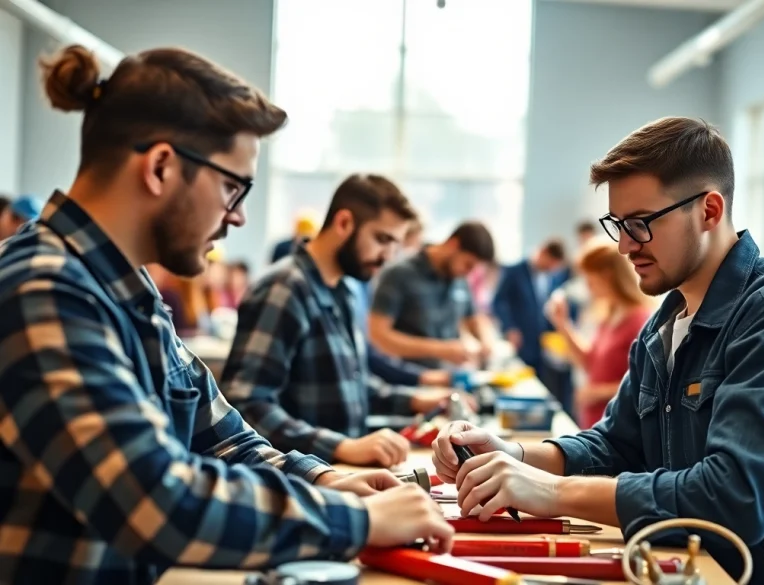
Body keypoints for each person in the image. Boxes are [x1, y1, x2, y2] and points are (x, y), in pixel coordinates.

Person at [0, 44, 452, 585]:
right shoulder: (44, 287)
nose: (238, 216)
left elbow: (223, 436)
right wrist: (354, 520)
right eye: (233, 187)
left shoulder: (126, 285)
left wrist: (324, 480)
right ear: (161, 166)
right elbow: (153, 501)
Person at [431, 117, 764, 585]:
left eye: (641, 224)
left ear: (709, 211)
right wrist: (513, 456)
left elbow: (738, 496)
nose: (626, 246)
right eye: (618, 225)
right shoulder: (666, 322)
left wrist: (553, 492)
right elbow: (616, 444)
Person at [221, 174, 454, 467]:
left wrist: (416, 400)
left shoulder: (343, 291)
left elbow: (351, 385)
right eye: (382, 239)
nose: (388, 256)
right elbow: (246, 405)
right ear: (344, 223)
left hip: (343, 474)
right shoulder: (284, 288)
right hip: (301, 483)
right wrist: (343, 446)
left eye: (395, 244)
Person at [545, 242, 652, 429]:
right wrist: (562, 324)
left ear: (607, 275)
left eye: (589, 277)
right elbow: (589, 363)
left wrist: (596, 392)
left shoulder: (639, 320)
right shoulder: (608, 316)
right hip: (595, 422)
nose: (587, 285)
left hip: (619, 427)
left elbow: (646, 384)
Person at [369, 221, 497, 369]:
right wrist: (440, 350)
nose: (469, 273)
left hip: (450, 379)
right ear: (453, 245)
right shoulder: (398, 274)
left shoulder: (461, 279)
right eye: (468, 264)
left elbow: (474, 319)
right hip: (409, 380)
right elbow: (378, 336)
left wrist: (486, 339)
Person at [491, 238, 570, 374]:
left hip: (539, 345)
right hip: (519, 342)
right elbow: (498, 302)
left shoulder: (547, 277)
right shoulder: (514, 271)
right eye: (549, 265)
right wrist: (509, 327)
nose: (550, 269)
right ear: (543, 253)